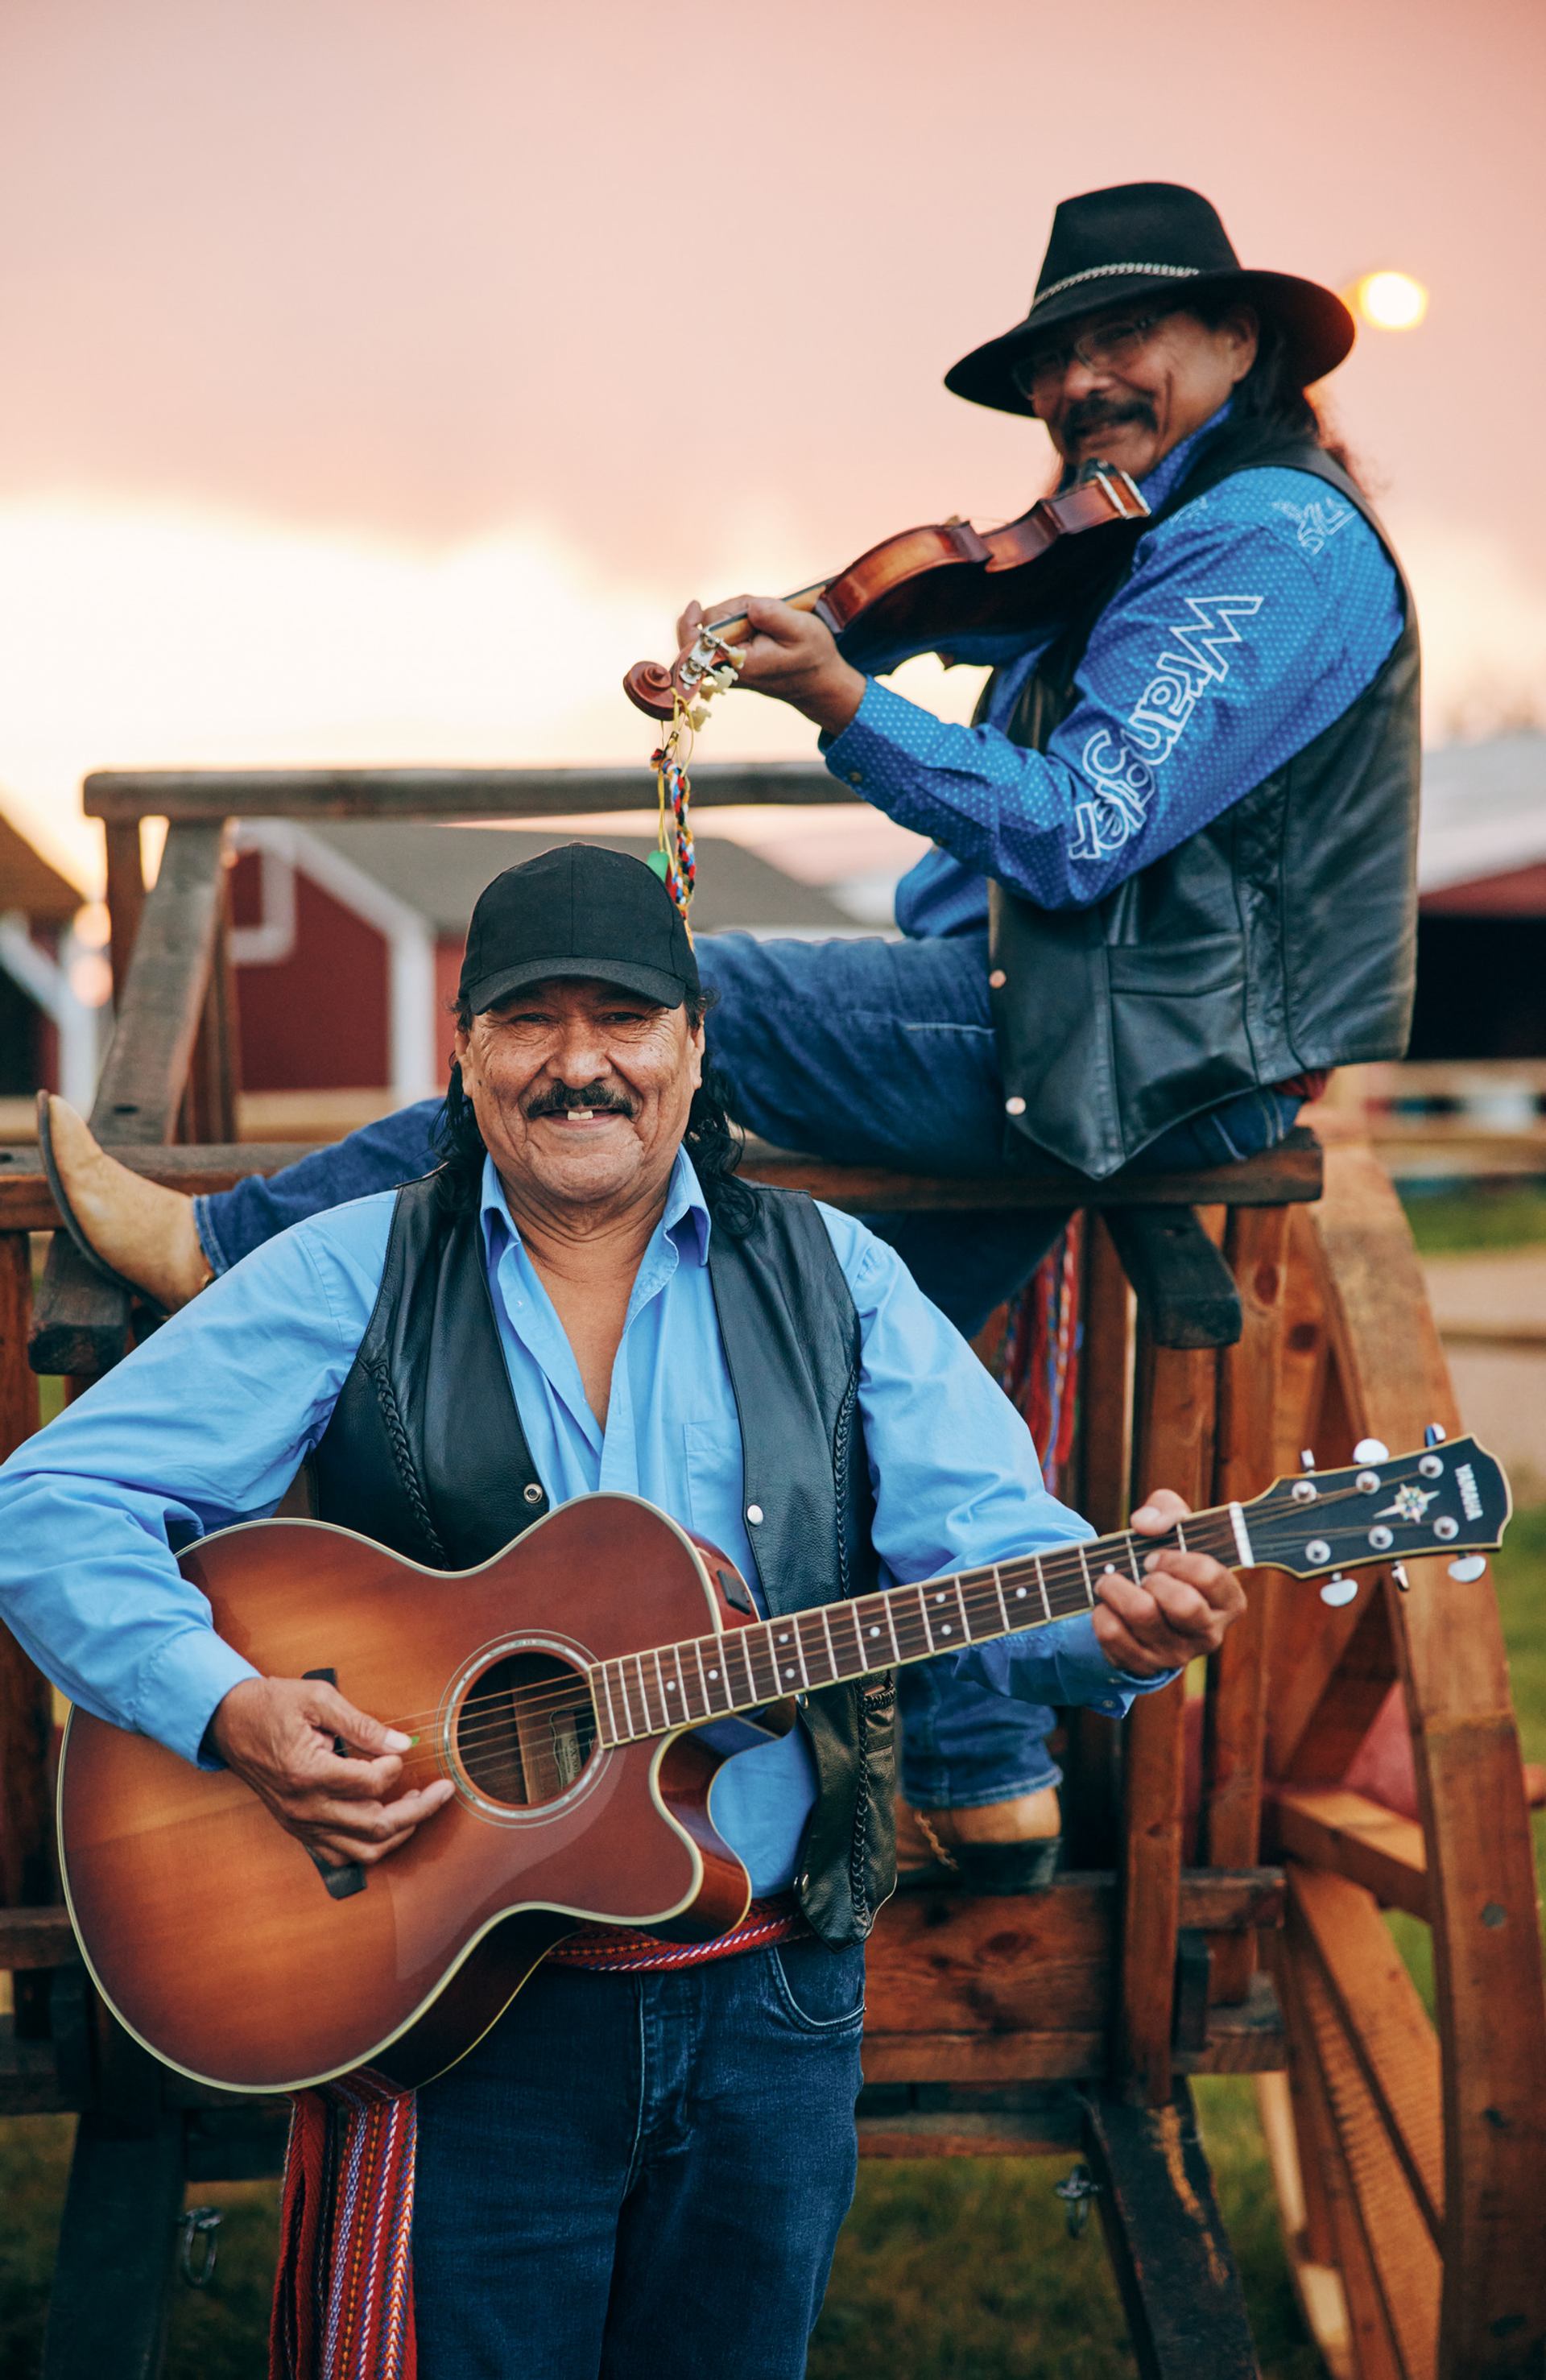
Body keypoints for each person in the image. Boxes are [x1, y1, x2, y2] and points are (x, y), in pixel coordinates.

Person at [38, 179, 1418, 1889]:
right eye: (1059, 354)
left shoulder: (1272, 542)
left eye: (1126, 334)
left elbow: (1080, 823)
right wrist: (828, 636)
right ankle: (989, 1768)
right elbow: (997, 696)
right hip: (1111, 1042)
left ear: (1246, 340)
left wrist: (840, 696)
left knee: (714, 1006)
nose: (1083, 378)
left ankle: (226, 1240)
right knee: (873, 1406)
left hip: (1156, 1050)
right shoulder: (1148, 533)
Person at [2, 846, 1247, 2378]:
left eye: (626, 1019)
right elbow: (49, 1503)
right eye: (530, 1020)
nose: (579, 1064)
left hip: (774, 1999)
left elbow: (993, 1543)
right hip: (455, 1994)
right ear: (462, 1056)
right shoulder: (350, 1268)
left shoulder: (833, 1279)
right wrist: (226, 1706)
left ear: (696, 1045)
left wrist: (1113, 1625)